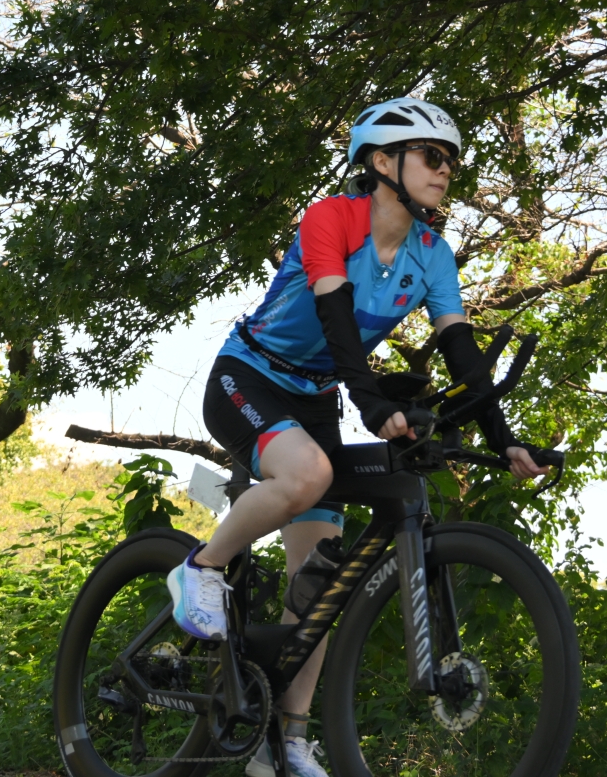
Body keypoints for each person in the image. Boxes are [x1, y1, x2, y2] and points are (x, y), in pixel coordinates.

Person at [169, 98, 548, 777]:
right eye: (432, 155)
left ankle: (286, 741)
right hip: (249, 377)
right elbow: (337, 319)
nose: (445, 170)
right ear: (381, 161)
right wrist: (371, 404)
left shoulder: (432, 255)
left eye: (450, 161)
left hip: (315, 396)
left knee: (318, 587)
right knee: (309, 474)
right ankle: (199, 567)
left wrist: (504, 438)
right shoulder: (331, 218)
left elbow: (461, 352)